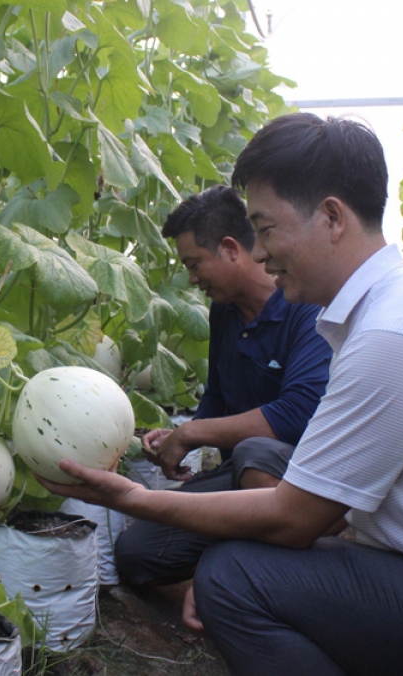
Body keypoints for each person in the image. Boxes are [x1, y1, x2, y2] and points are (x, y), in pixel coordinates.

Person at [39, 113, 403, 675]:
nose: (258, 254)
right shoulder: (389, 309)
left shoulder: (393, 334)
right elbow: (325, 511)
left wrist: (129, 498)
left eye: (267, 229)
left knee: (233, 579)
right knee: (247, 545)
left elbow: (294, 518)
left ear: (331, 217)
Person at [116, 185, 332, 588]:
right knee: (137, 556)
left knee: (255, 452)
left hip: (303, 483)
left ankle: (302, 551)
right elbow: (217, 394)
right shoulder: (224, 313)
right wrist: (180, 437)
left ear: (231, 249)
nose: (192, 279)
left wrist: (194, 432)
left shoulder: (305, 307)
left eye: (195, 264)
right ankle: (238, 553)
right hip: (240, 476)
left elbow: (299, 412)